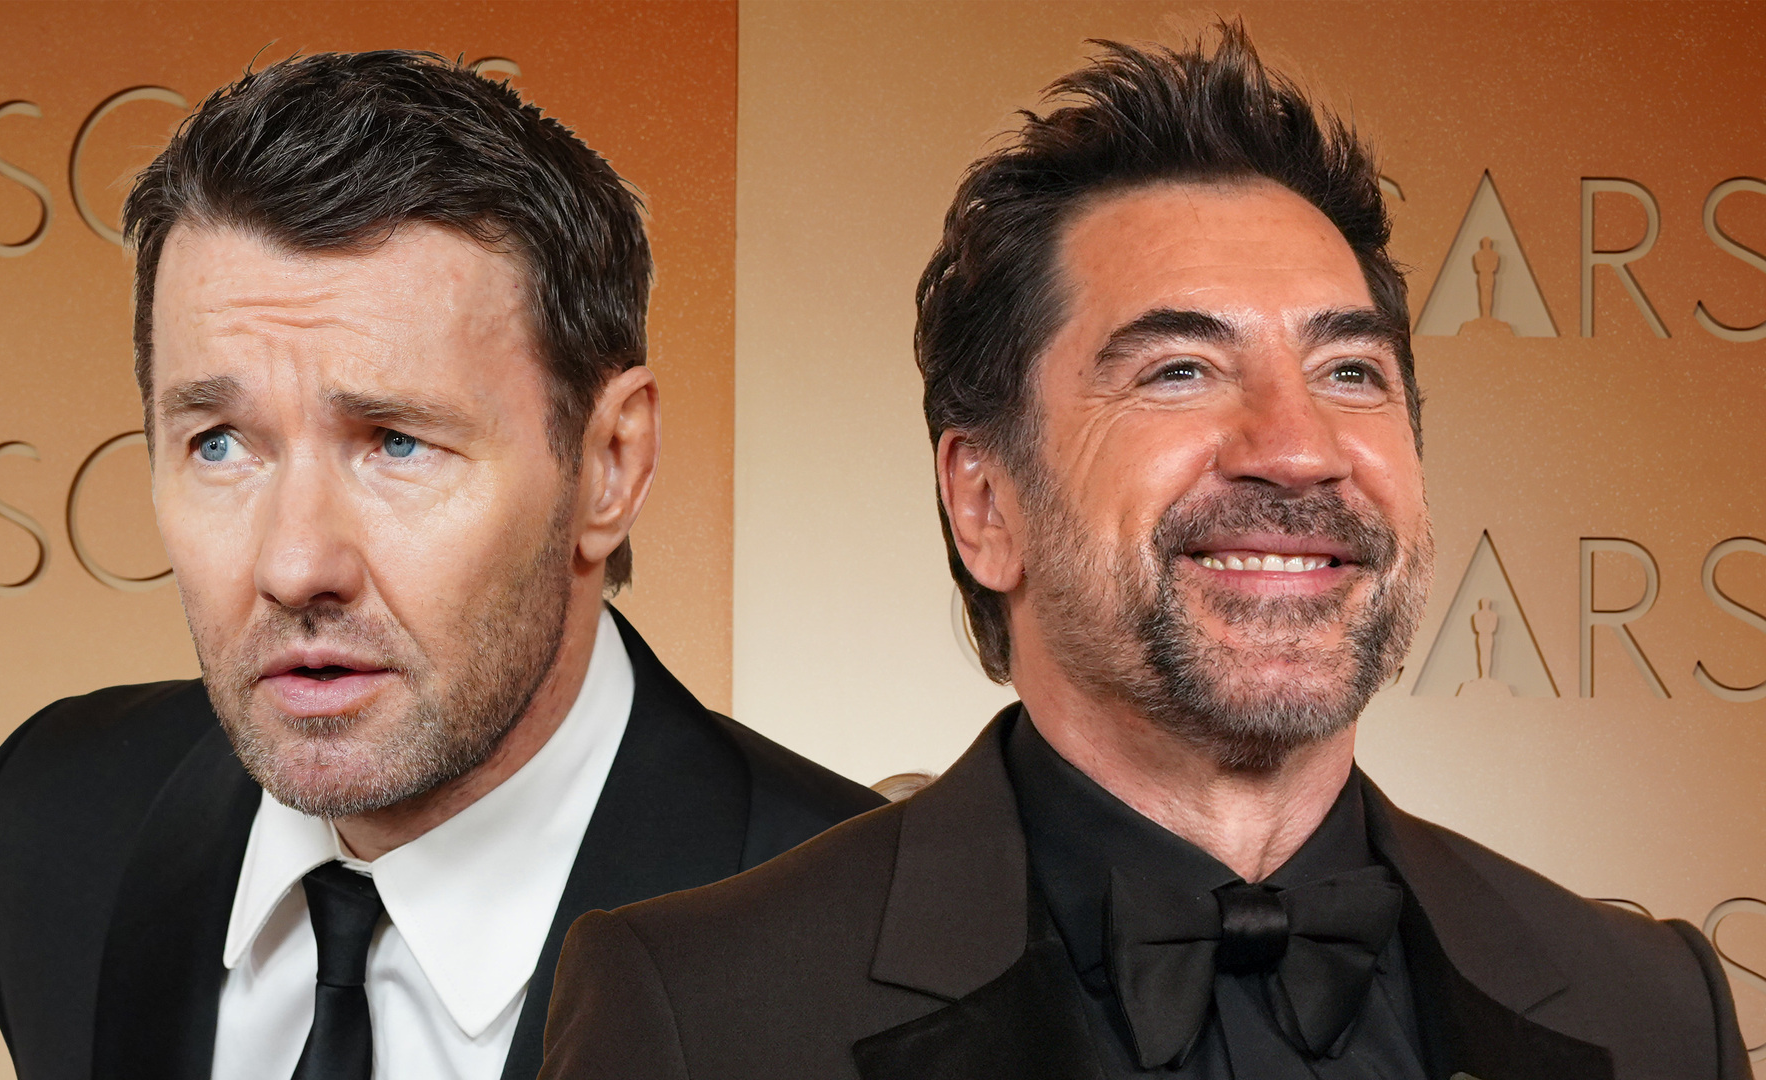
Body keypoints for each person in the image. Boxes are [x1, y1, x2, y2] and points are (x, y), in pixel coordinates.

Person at [538, 26, 1746, 1080]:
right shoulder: (708, 1013)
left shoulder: (1650, 1010)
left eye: (1350, 371)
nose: (1297, 449)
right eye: (1180, 370)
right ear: (984, 502)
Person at [0, 51, 882, 1080]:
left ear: (609, 464)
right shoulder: (51, 818)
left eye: (397, 442)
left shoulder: (886, 952)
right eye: (219, 443)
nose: (295, 565)